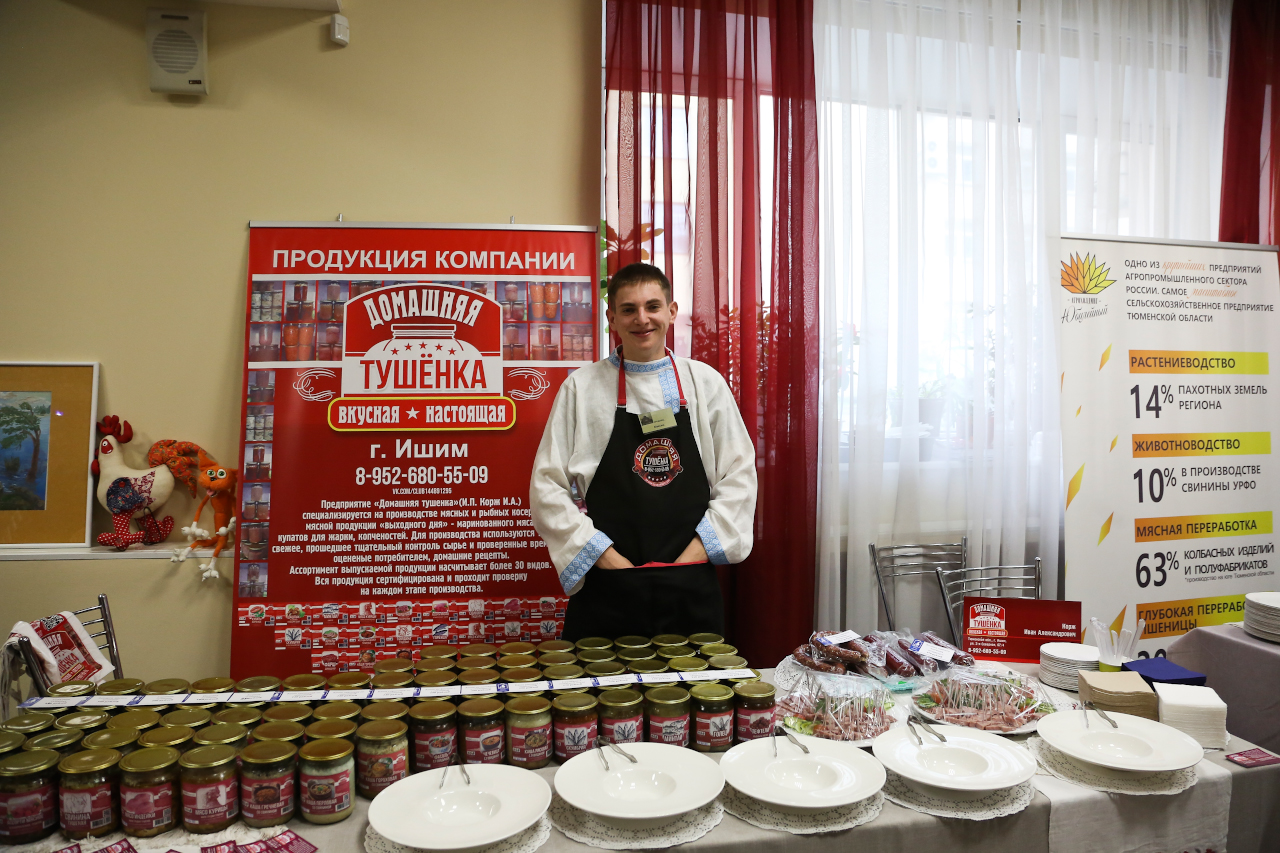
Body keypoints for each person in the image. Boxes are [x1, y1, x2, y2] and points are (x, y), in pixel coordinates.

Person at [530, 262, 757, 640]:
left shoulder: (705, 383)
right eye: (628, 309)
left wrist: (695, 554)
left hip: (690, 585)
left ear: (671, 311)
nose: (642, 319)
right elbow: (546, 487)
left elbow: (739, 476)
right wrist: (602, 556)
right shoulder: (581, 388)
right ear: (612, 319)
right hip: (608, 586)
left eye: (652, 306)